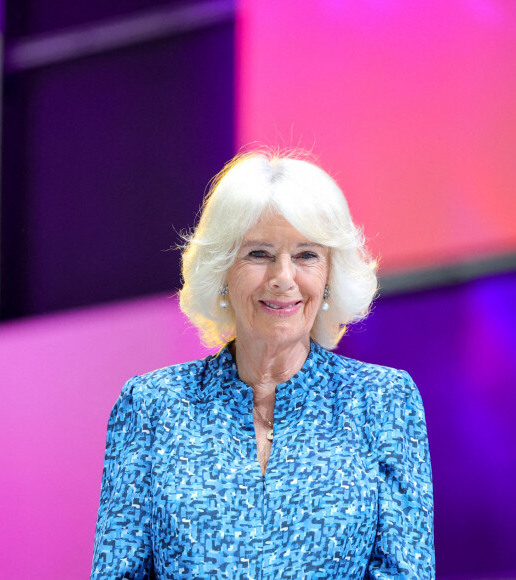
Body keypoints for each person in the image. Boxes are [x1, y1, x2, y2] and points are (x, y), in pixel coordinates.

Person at [91, 150, 435, 579]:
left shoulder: (383, 401)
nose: (283, 277)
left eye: (306, 255)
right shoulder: (151, 406)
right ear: (222, 272)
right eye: (259, 253)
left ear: (329, 276)